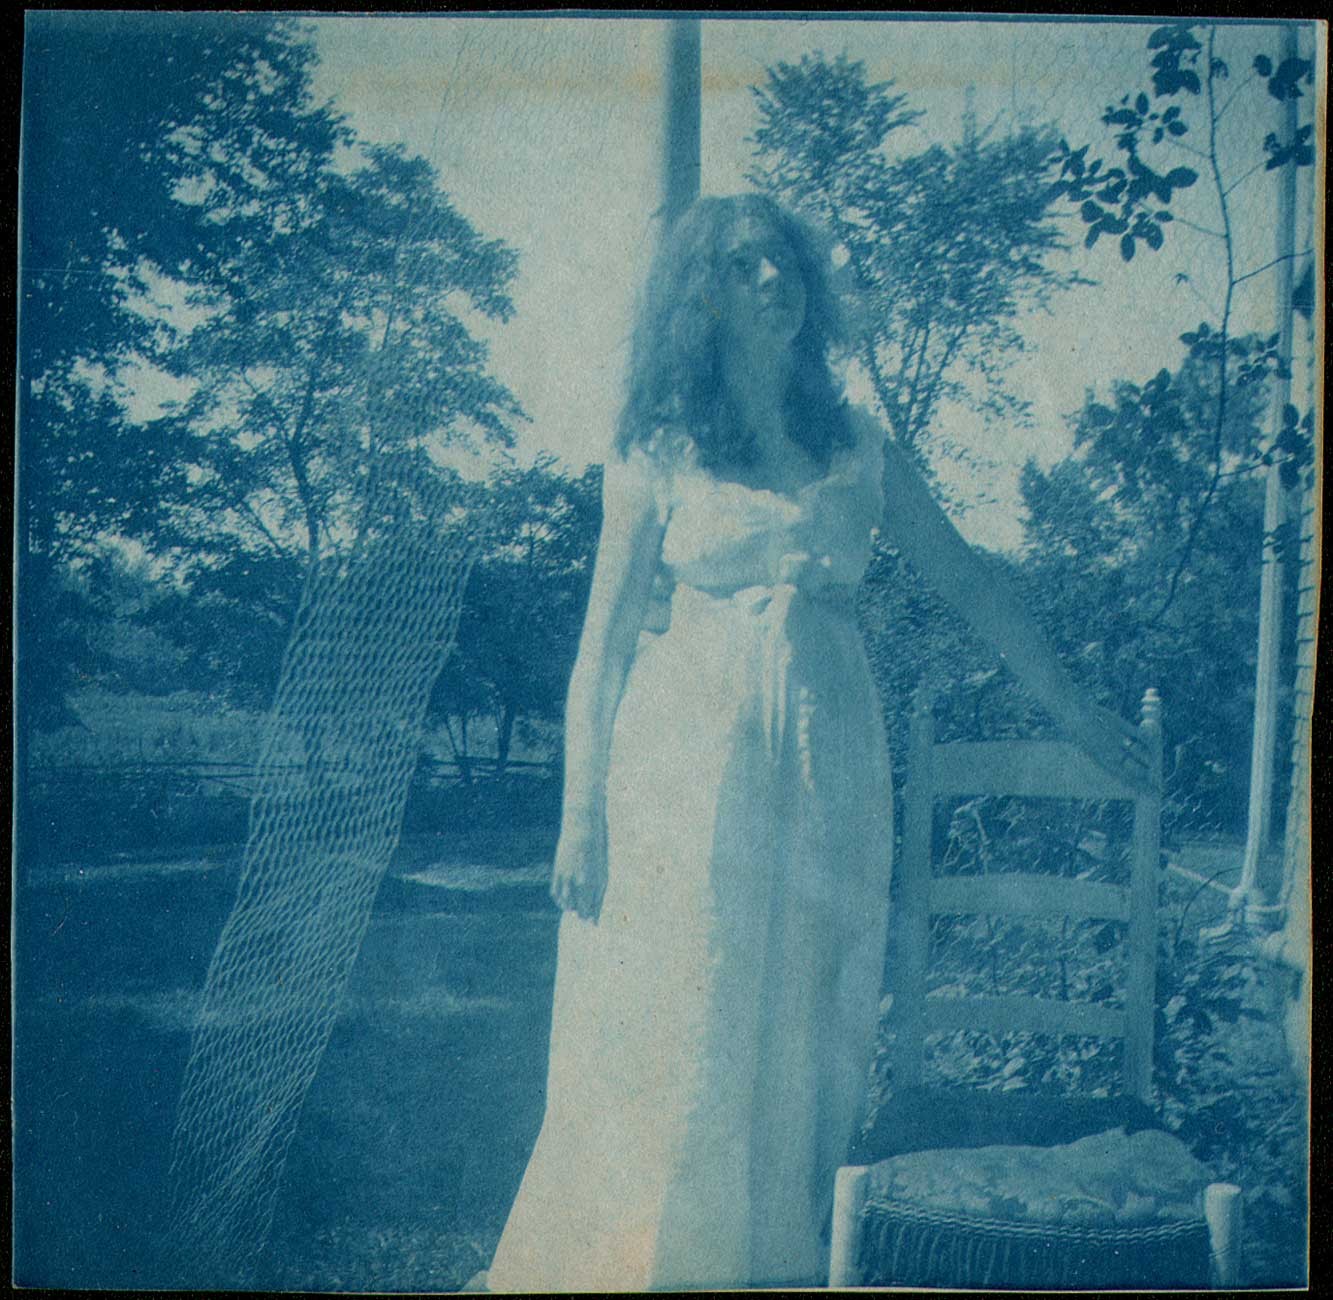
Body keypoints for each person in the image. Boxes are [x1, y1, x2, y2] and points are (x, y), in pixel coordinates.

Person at [483, 194, 1152, 1293]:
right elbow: (599, 651)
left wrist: (1073, 710)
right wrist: (580, 812)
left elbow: (974, 585)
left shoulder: (856, 448)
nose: (770, 282)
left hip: (828, 757)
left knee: (804, 1001)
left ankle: (777, 1258)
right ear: (702, 295)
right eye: (742, 267)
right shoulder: (659, 451)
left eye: (783, 262)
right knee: (687, 999)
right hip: (685, 764)